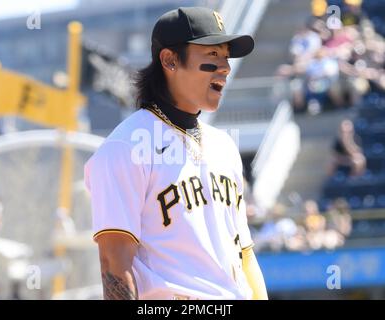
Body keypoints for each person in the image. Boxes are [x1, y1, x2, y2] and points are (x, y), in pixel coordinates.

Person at [84, 7, 268, 300]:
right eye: (212, 56)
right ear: (170, 60)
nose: (225, 68)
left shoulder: (225, 147)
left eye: (226, 57)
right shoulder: (125, 148)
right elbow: (114, 264)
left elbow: (245, 255)